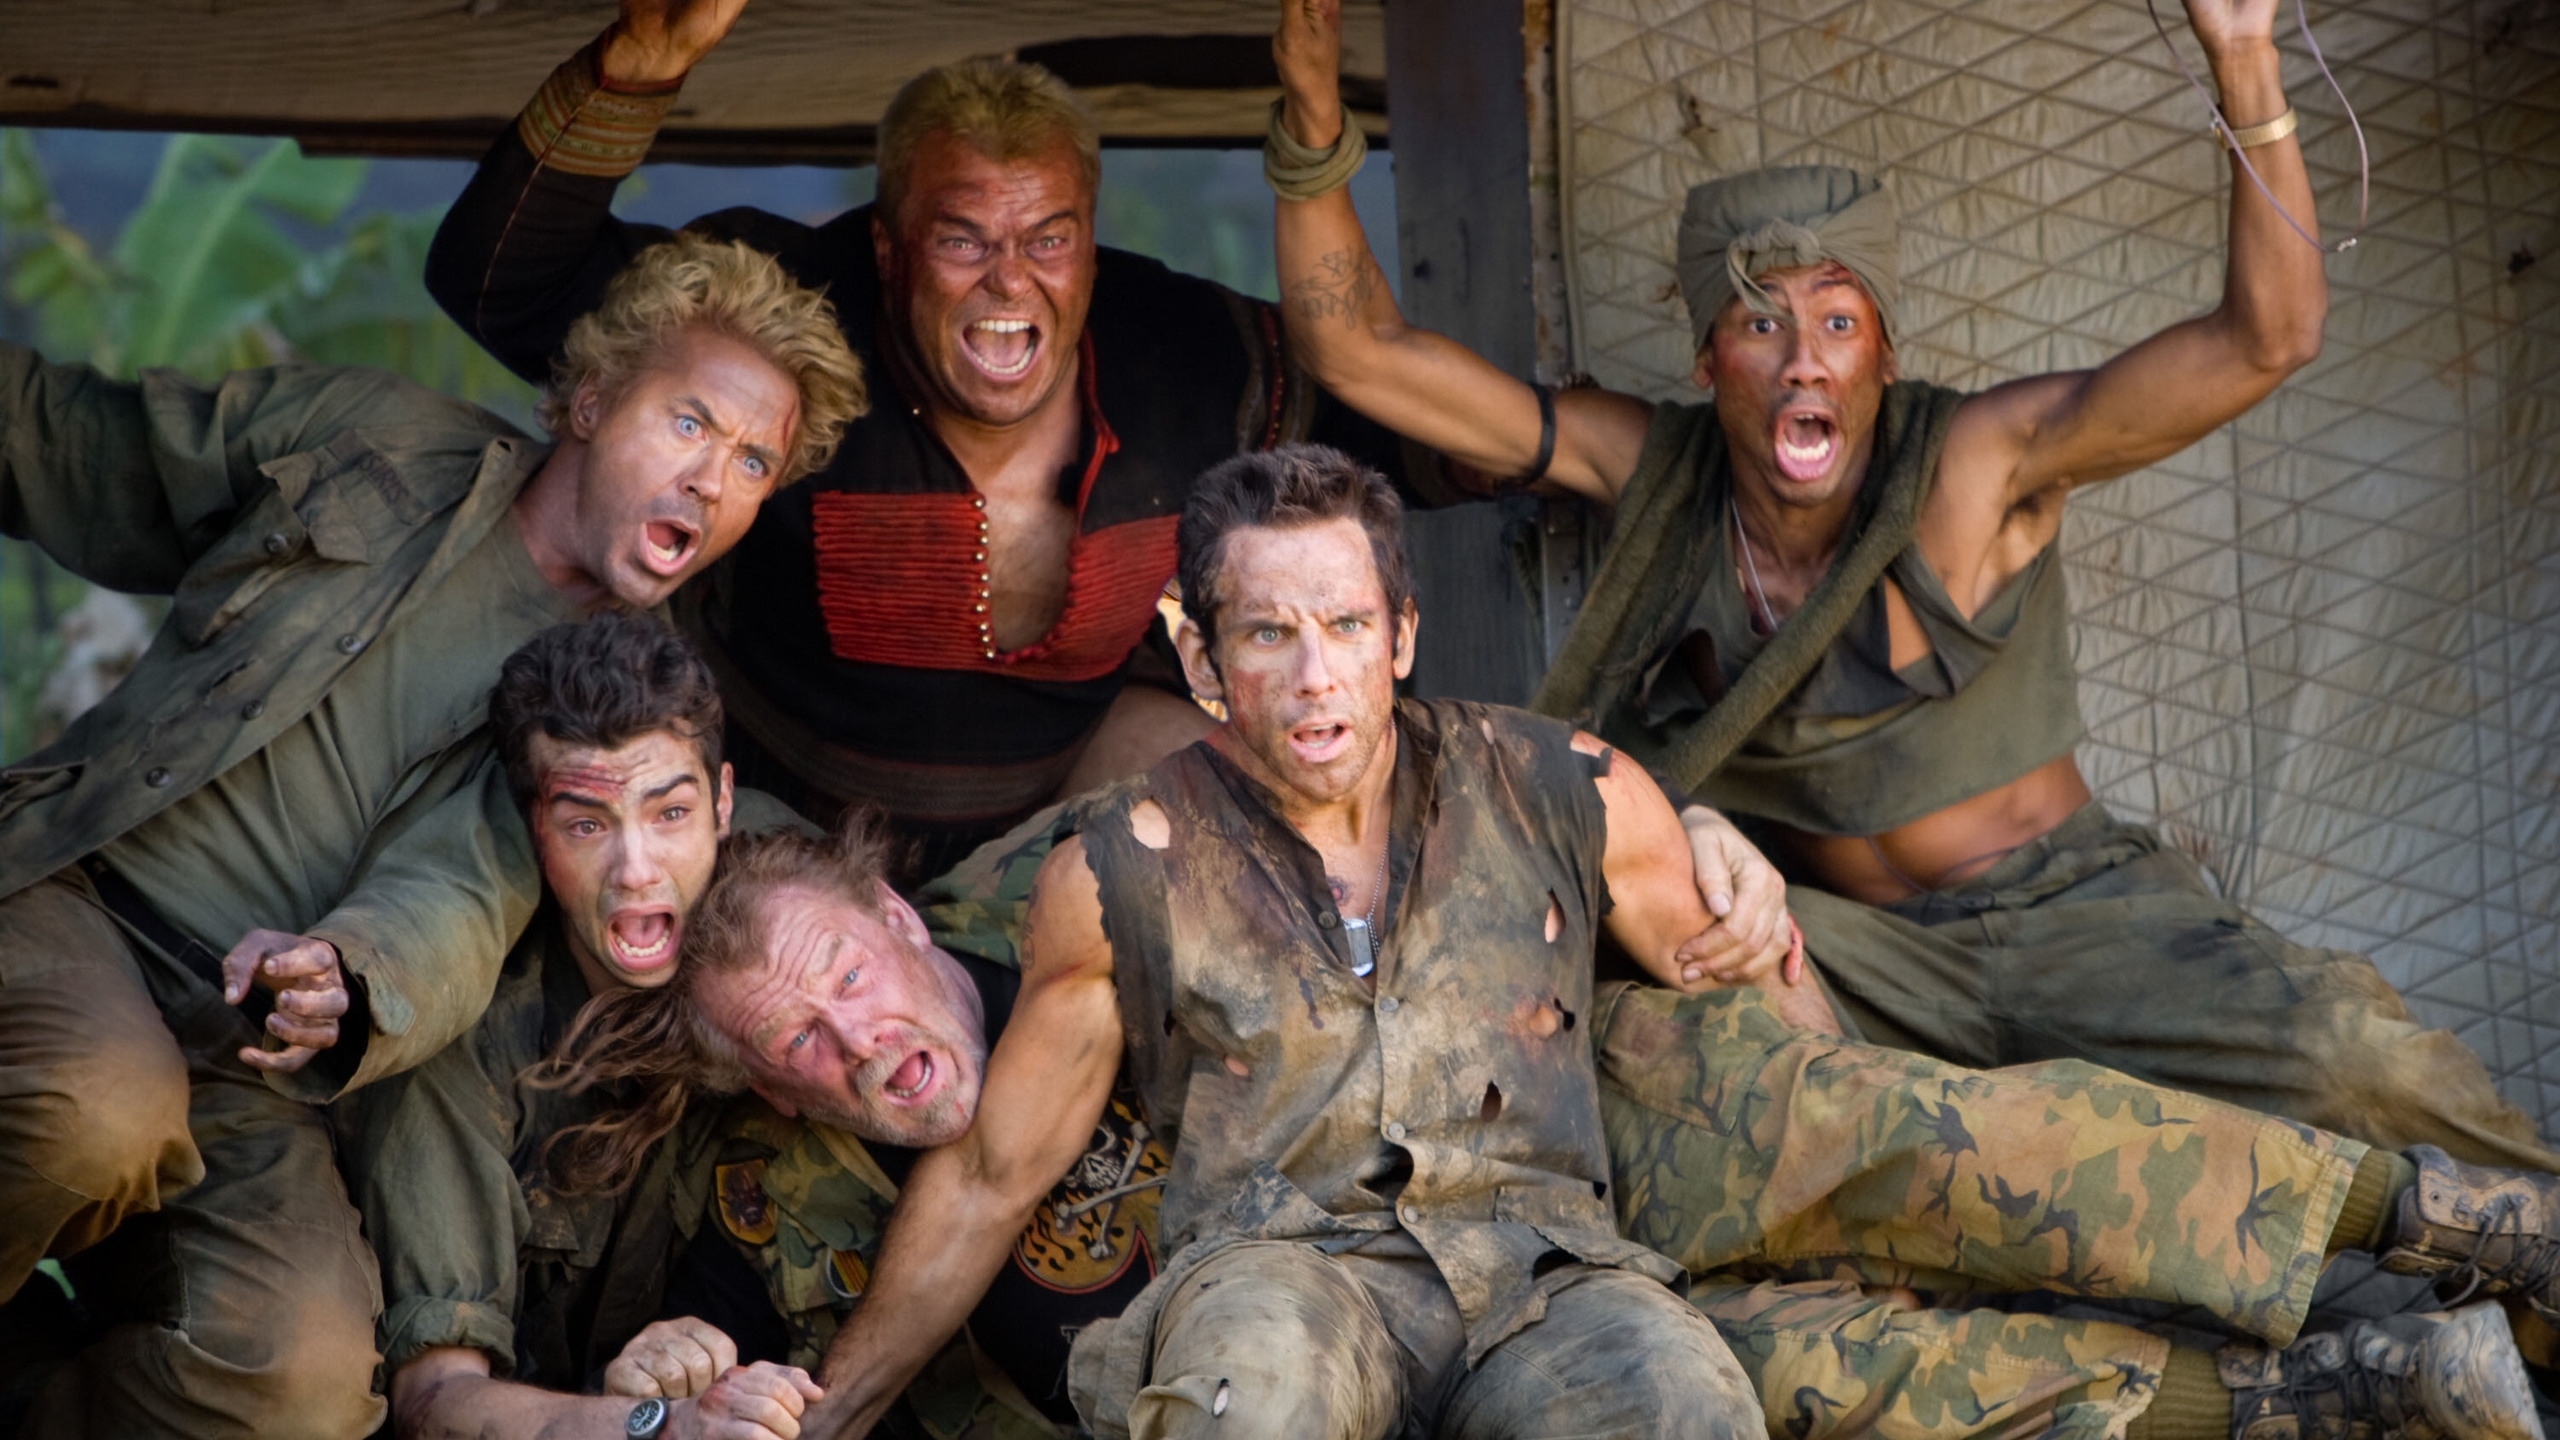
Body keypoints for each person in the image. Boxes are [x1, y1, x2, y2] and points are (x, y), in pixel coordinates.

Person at [588, 448, 2551, 1440]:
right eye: (1264, 636)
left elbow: (1714, 977)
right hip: (1338, 1297)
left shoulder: (1513, 791)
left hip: (1571, 1193)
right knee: (1801, 1390)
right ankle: (2352, 1388)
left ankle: (2443, 1226)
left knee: (1916, 1195)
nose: (1311, 678)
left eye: (1340, 629)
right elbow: (937, 1213)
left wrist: (1737, 910)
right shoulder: (1061, 927)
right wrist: (774, 1392)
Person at [1262, 0, 2557, 1174]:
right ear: (1709, 356)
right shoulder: (1654, 474)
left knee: (2351, 1061)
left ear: (1884, 350)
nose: (1802, 360)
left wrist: (2246, 58)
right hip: (1853, 958)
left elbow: (2267, 338)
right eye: (1760, 323)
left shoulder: (1974, 467)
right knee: (1619, 1030)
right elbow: (1362, 351)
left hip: (2071, 921)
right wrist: (1315, 125)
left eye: (1838, 321)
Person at [0, 232, 864, 1439]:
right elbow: (83, 450)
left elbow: (464, 894)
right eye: (690, 423)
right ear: (592, 397)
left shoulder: (633, 700)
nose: (713, 480)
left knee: (302, 1386)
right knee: (98, 1110)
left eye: (752, 460)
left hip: (254, 1052)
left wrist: (348, 980)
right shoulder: (380, 444)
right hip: (82, 892)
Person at [427, 0, 1423, 880]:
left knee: (1270, 829)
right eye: (961, 240)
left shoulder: (1181, 352)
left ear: (1087, 245)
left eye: (1047, 239)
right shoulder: (781, 326)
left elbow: (1403, 425)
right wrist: (632, 71)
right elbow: (498, 284)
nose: (1009, 278)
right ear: (889, 246)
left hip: (1057, 830)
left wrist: (1533, 430)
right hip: (767, 831)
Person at [338, 613, 832, 1440]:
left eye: (670, 814)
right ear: (531, 832)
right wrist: (662, 1424)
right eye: (587, 826)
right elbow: (436, 1401)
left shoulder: (798, 907)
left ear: (722, 801)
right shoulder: (472, 1044)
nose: (636, 870)